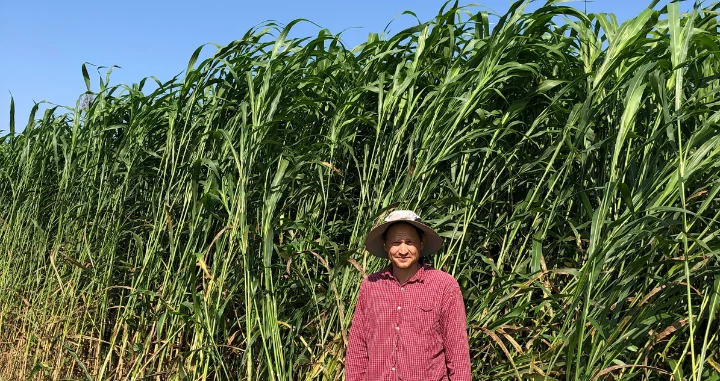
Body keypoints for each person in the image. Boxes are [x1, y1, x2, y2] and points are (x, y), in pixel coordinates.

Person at [345, 210, 471, 380]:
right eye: (396, 242)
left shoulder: (444, 286)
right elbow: (357, 349)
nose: (403, 250)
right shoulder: (370, 286)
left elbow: (458, 353)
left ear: (421, 242)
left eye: (410, 242)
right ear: (385, 245)